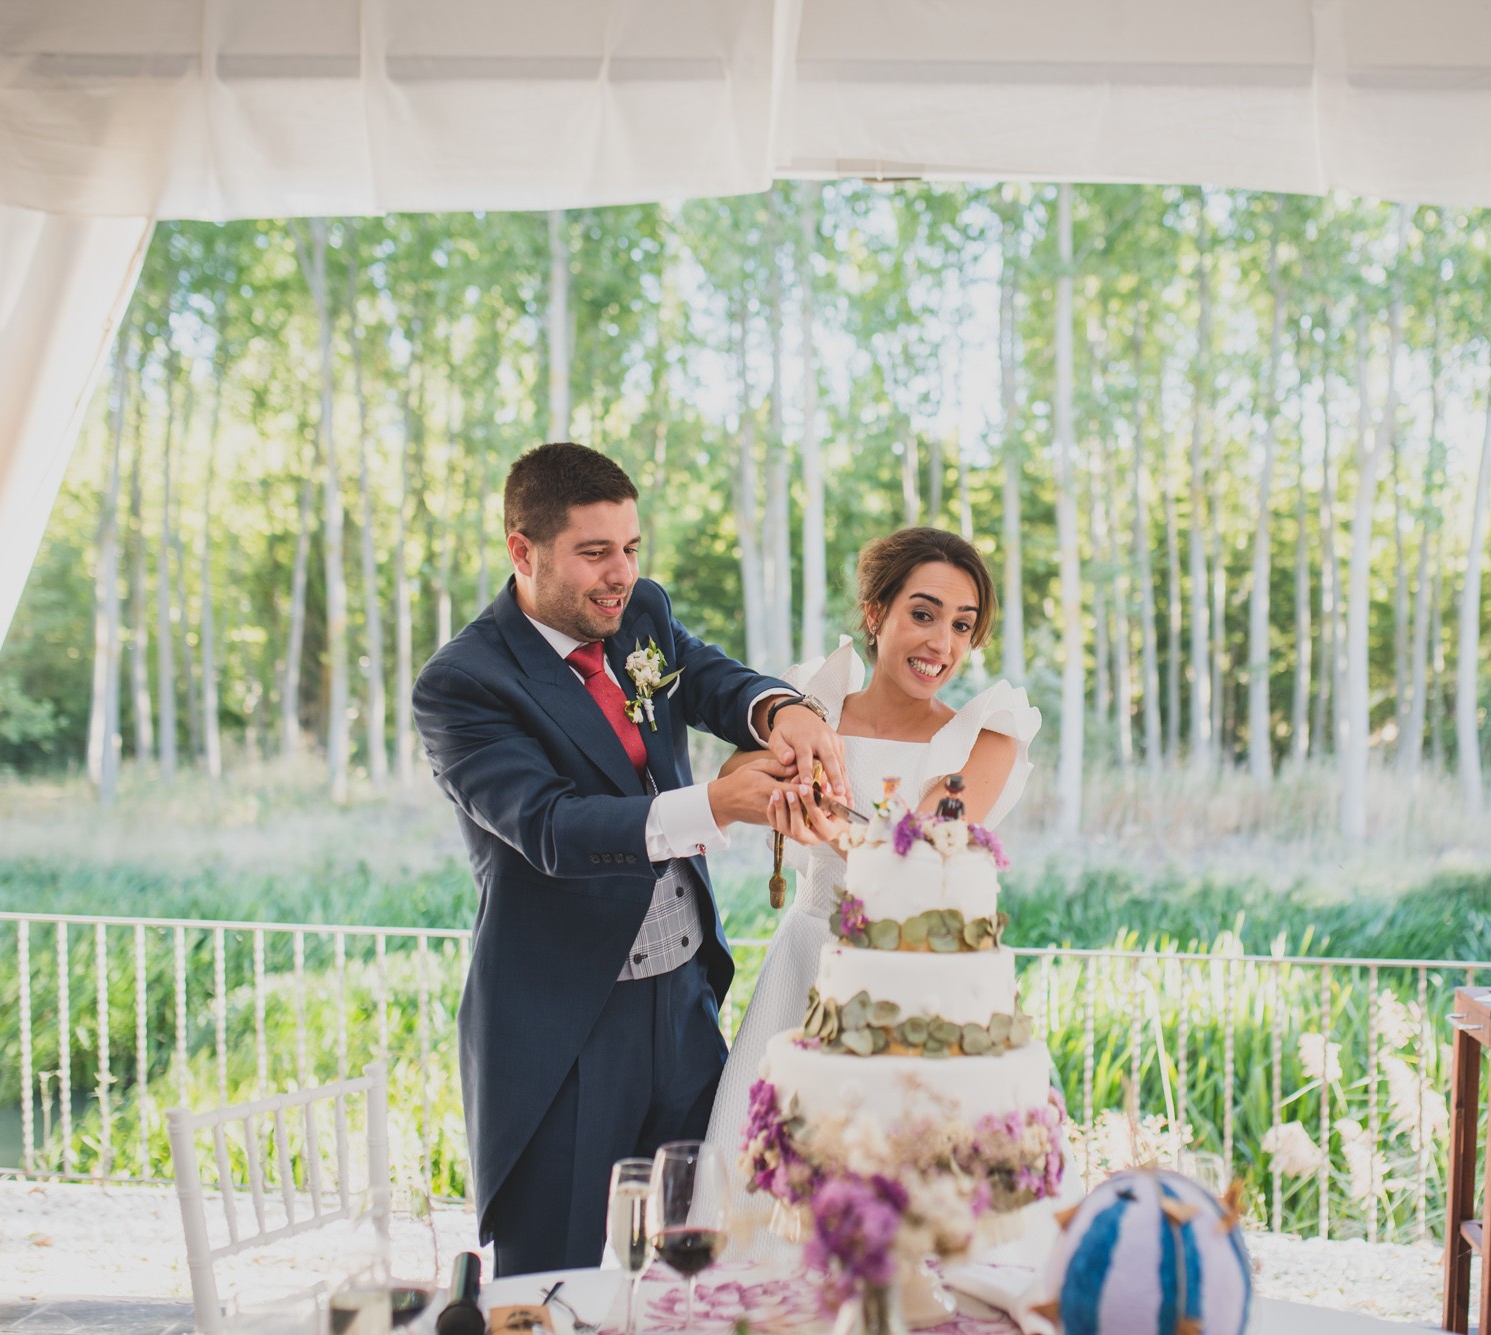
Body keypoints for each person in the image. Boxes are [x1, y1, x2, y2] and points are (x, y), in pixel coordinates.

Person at [412, 442, 847, 1275]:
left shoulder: (639, 610)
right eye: (594, 552)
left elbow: (711, 678)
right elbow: (553, 827)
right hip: (567, 1028)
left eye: (632, 548)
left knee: (703, 1255)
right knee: (556, 1281)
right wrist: (719, 805)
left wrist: (779, 709)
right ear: (522, 550)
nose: (621, 573)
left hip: (685, 1007)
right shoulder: (462, 683)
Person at [701, 526, 1041, 1244]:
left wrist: (828, 826)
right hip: (809, 966)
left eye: (962, 624)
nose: (942, 643)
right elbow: (732, 781)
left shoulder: (987, 737)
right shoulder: (809, 712)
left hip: (923, 992)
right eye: (923, 613)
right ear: (874, 612)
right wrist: (777, 794)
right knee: (766, 1197)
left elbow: (911, 854)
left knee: (916, 1210)